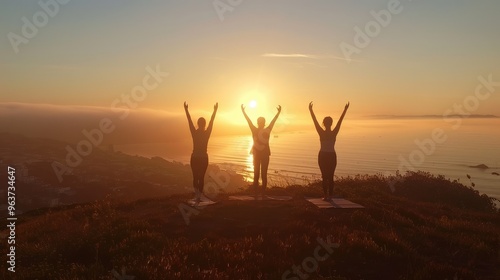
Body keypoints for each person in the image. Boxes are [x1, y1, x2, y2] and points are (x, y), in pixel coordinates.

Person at [309, 101, 349, 201]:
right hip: (330, 156)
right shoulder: (333, 132)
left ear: (325, 123)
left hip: (323, 156)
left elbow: (315, 121)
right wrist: (345, 110)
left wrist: (311, 110)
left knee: (325, 176)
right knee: (330, 176)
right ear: (330, 123)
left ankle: (326, 196)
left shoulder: (321, 132)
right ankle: (329, 196)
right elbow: (340, 121)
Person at [241, 104, 281, 198]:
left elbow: (249, 121)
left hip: (259, 154)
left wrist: (243, 112)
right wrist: (278, 112)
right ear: (263, 123)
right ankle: (261, 193)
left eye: (260, 122)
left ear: (259, 122)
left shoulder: (255, 130)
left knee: (257, 174)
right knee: (262, 174)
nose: (260, 123)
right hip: (262, 154)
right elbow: (273, 122)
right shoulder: (266, 130)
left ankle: (258, 193)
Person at [184, 101, 218, 203]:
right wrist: (215, 111)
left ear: (198, 124)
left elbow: (189, 121)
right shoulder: (207, 133)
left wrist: (186, 110)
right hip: (203, 158)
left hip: (195, 157)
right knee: (201, 178)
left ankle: (197, 196)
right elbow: (212, 121)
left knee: (195, 177)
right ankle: (199, 197)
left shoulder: (194, 133)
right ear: (204, 124)